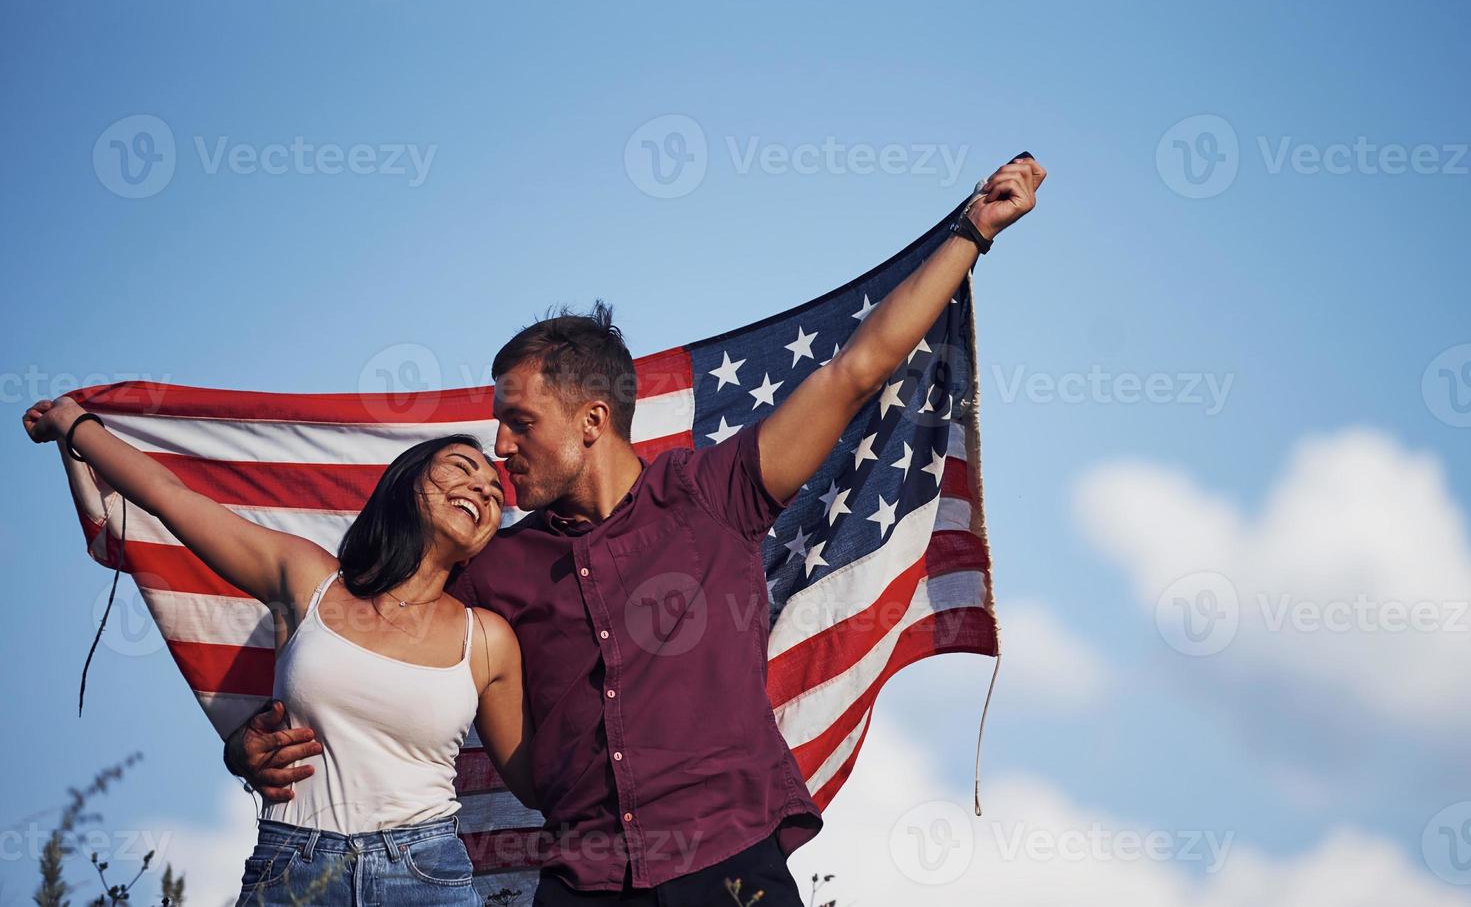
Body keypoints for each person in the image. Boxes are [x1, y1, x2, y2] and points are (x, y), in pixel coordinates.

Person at [229, 155, 1048, 905]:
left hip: (729, 864)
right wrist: (248, 748)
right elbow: (366, 640)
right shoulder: (492, 569)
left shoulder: (716, 492)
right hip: (580, 881)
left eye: (518, 422)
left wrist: (971, 231)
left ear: (591, 419)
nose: (501, 449)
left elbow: (854, 369)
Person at [23, 397, 536, 906]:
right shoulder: (308, 579)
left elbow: (538, 783)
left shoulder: (487, 640)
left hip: (427, 874)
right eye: (461, 468)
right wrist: (74, 424)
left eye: (495, 493)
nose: (481, 490)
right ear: (406, 483)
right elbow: (167, 496)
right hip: (293, 865)